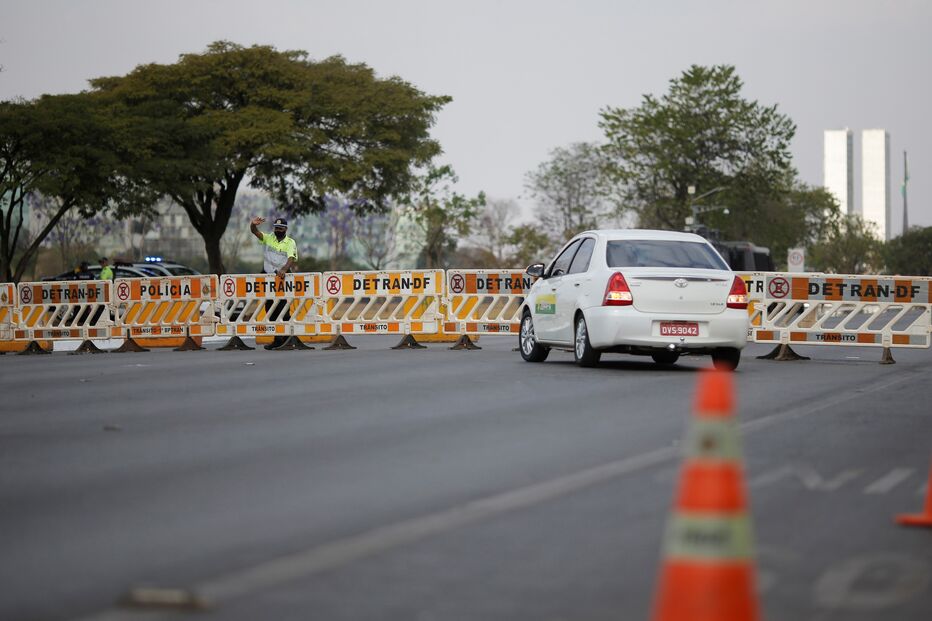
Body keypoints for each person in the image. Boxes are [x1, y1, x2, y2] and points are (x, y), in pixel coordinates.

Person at [250, 216, 298, 349]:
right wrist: (253, 225)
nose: (278, 230)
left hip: (283, 279)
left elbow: (291, 258)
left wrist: (284, 269)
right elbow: (255, 232)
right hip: (269, 280)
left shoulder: (290, 242)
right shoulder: (269, 238)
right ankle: (277, 339)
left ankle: (288, 338)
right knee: (270, 310)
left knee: (283, 308)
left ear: (285, 229)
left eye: (281, 228)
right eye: (276, 228)